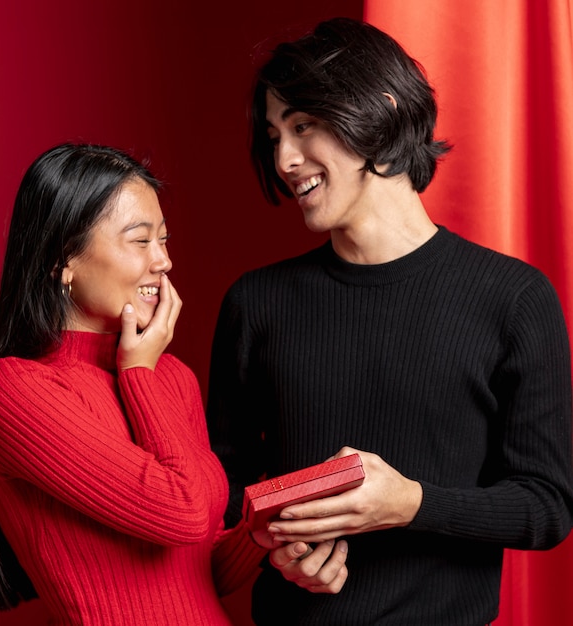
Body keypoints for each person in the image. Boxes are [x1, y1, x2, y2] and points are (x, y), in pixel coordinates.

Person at [206, 17, 573, 625]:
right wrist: (272, 553)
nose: (285, 159)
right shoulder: (256, 303)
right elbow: (218, 505)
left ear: (380, 113)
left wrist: (409, 504)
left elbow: (545, 507)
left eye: (303, 126)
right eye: (274, 136)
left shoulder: (514, 298)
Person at [0, 143, 343, 626]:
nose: (162, 261)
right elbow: (181, 510)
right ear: (63, 260)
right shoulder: (14, 391)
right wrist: (139, 373)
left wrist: (257, 531)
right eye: (141, 241)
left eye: (164, 240)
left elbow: (198, 567)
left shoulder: (173, 378)